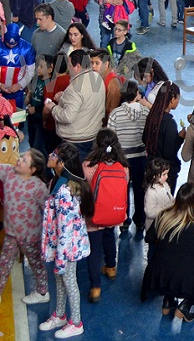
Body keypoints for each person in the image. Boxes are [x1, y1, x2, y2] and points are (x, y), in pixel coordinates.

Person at [143, 182, 194, 322]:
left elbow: (148, 238)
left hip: (161, 276)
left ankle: (168, 301)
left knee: (173, 268)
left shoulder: (164, 216)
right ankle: (186, 305)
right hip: (190, 279)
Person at [40, 143, 93, 338]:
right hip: (60, 245)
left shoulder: (66, 192)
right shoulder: (57, 181)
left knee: (69, 282)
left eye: (53, 155)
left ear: (61, 164)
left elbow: (66, 228)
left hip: (68, 247)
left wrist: (61, 258)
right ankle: (60, 315)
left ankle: (76, 322)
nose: (49, 156)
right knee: (59, 279)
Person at [81, 129, 129, 303]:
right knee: (110, 236)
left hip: (95, 214)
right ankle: (111, 267)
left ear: (97, 144)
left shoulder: (88, 165)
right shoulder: (123, 166)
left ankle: (95, 288)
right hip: (115, 212)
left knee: (94, 250)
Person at [0, 150, 50, 305]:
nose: (19, 160)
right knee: (4, 264)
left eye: (24, 160)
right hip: (12, 234)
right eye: (21, 157)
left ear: (32, 170)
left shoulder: (38, 187)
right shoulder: (8, 172)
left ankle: (43, 292)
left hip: (30, 236)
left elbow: (47, 210)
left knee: (36, 263)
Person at [107, 79, 151, 229]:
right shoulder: (146, 112)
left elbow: (111, 138)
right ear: (137, 94)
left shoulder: (115, 113)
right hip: (140, 157)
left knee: (122, 189)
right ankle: (140, 220)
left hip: (122, 158)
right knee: (140, 188)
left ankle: (123, 219)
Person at [45, 49, 105, 160]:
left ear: (77, 67)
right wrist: (65, 96)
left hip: (76, 142)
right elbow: (86, 100)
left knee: (73, 173)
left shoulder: (74, 88)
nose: (68, 69)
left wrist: (53, 107)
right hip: (93, 136)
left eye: (70, 66)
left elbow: (67, 116)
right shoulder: (97, 78)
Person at [143, 81, 185, 192]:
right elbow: (168, 153)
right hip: (165, 173)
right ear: (172, 99)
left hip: (151, 168)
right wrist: (180, 138)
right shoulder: (170, 124)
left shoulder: (151, 117)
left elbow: (144, 138)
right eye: (178, 99)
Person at [143, 159, 173, 233]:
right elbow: (149, 212)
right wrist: (167, 209)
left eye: (167, 174)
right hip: (155, 228)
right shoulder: (151, 192)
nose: (166, 177)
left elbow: (170, 198)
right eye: (164, 174)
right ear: (154, 175)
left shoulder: (166, 185)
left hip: (165, 224)